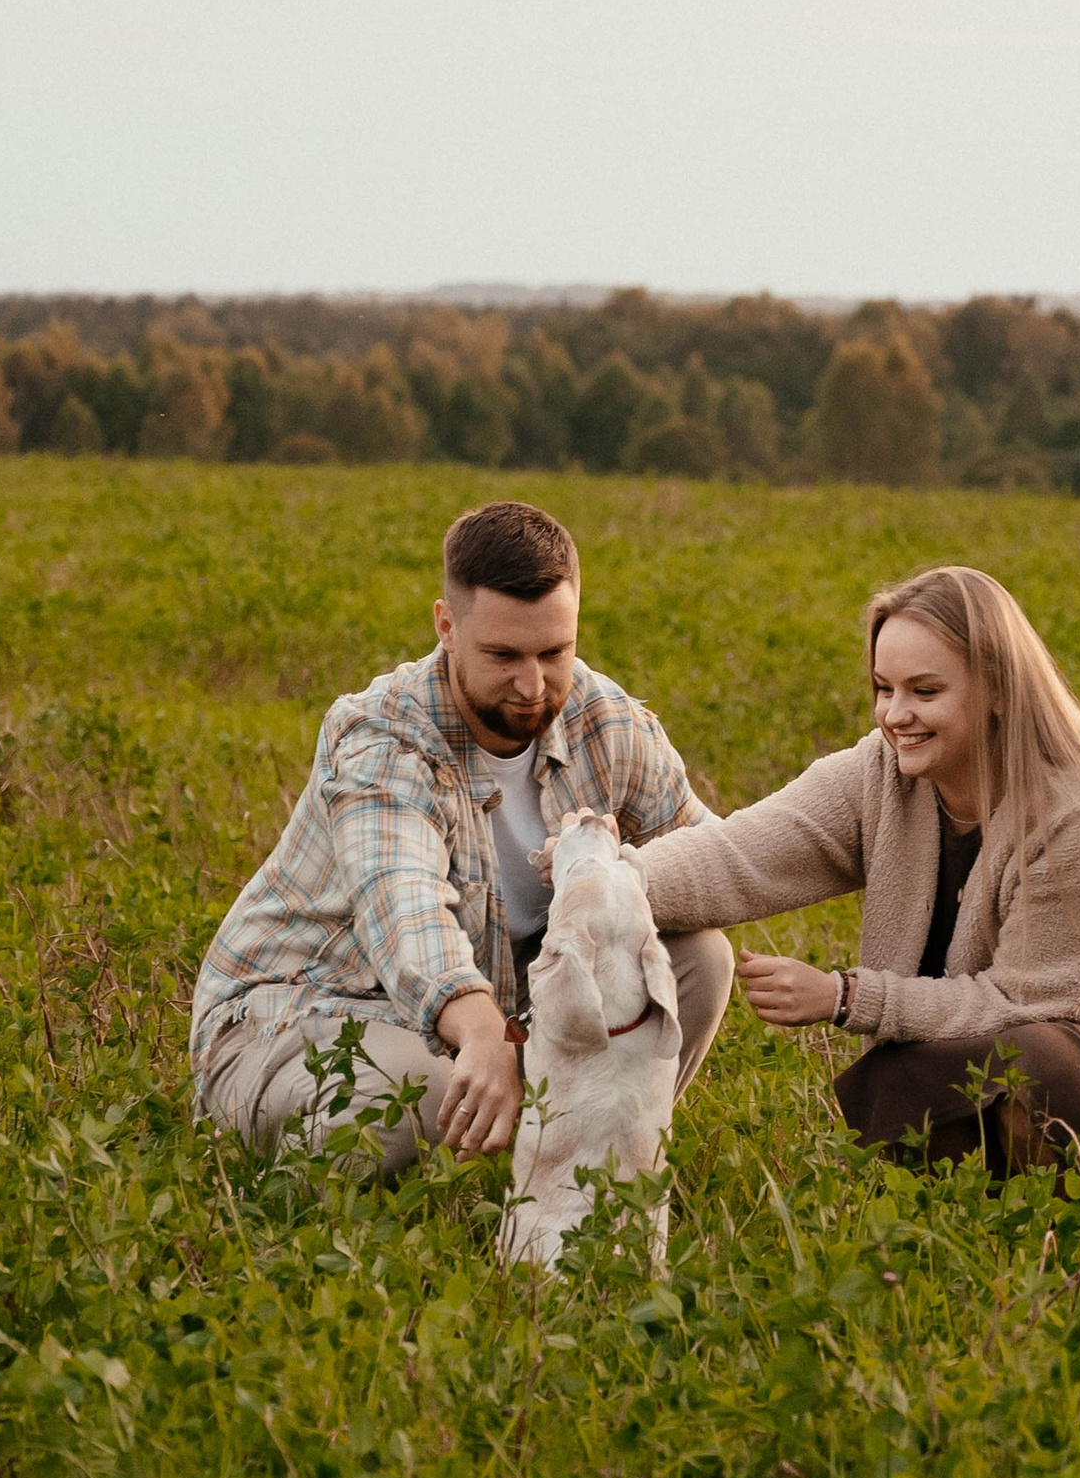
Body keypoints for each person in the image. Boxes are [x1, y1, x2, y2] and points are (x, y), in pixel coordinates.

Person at [633, 562, 1080, 1227]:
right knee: (914, 1073)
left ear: (996, 688)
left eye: (925, 691)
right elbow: (738, 857)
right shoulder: (880, 776)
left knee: (1032, 1061)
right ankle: (987, 1247)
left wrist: (845, 996)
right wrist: (600, 881)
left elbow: (1020, 1003)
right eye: (883, 688)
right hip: (1038, 1054)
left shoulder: (1079, 815)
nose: (895, 715)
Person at [191, 498, 734, 1170]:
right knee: (416, 1097)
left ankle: (587, 1167)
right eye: (503, 655)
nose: (533, 685)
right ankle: (380, 1185)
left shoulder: (608, 723)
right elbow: (403, 905)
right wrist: (479, 1033)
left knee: (699, 961)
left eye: (554, 652)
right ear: (446, 626)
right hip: (305, 1013)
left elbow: (710, 857)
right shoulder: (382, 737)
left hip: (488, 1024)